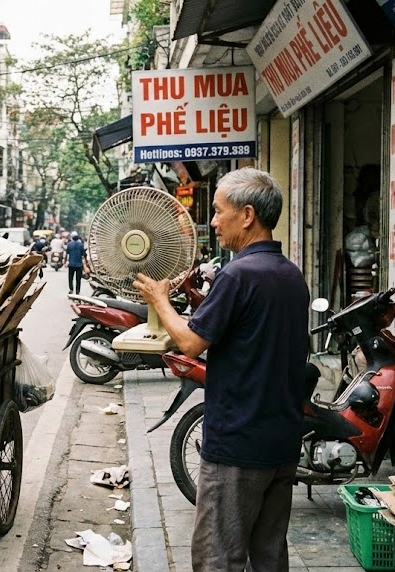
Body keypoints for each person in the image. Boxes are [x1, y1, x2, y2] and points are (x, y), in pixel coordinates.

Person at [132, 167, 309, 571]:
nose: (213, 222)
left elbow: (191, 342)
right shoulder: (291, 275)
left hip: (237, 445)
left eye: (218, 210)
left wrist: (160, 298)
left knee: (218, 558)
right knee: (268, 556)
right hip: (281, 440)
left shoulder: (238, 274)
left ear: (247, 215)